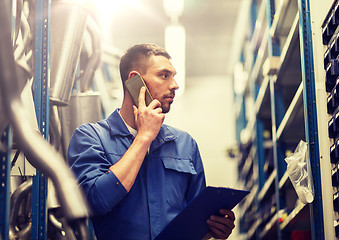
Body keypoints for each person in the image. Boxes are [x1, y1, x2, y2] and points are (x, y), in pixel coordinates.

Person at [67, 43, 235, 240]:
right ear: (135, 81)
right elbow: (95, 202)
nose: (175, 85)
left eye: (174, 76)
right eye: (164, 75)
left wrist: (213, 229)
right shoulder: (91, 137)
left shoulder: (185, 144)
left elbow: (195, 223)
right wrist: (143, 138)